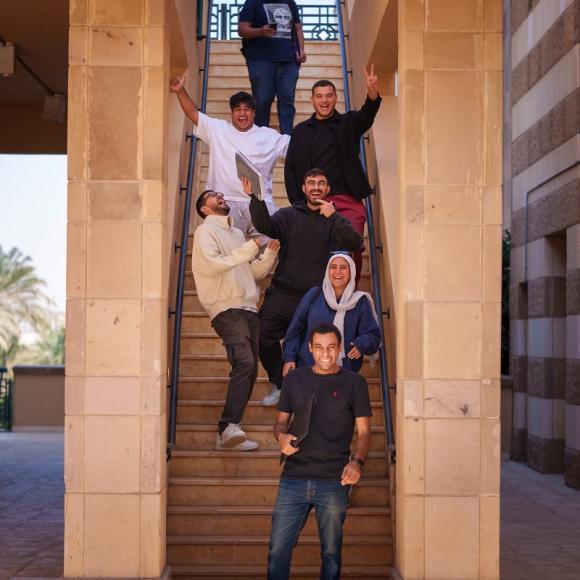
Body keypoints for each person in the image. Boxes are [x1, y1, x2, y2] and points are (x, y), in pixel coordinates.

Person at [245, 168, 363, 407]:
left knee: (313, 348)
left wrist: (335, 217)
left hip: (317, 299)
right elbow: (266, 226)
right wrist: (255, 198)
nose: (316, 187)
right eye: (311, 183)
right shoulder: (288, 215)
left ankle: (308, 394)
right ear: (303, 188)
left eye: (321, 183)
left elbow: (356, 243)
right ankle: (281, 382)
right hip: (284, 292)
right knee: (261, 334)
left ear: (328, 189)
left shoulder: (335, 220)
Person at [268, 322, 372, 580]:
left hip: (334, 480)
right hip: (293, 478)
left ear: (339, 350)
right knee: (278, 550)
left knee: (331, 554)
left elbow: (365, 433)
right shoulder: (295, 379)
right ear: (310, 349)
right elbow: (280, 423)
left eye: (331, 347)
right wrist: (281, 438)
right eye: (319, 347)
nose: (326, 353)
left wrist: (357, 462)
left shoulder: (355, 383)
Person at [191, 187, 280, 450]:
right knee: (244, 361)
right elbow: (213, 264)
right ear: (204, 209)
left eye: (220, 193)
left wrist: (269, 254)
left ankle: (227, 431)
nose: (219, 196)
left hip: (249, 308)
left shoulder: (238, 233)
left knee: (249, 368)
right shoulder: (205, 231)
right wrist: (249, 248)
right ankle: (228, 426)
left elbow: (250, 273)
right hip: (226, 308)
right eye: (211, 195)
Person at [284, 66, 382, 278]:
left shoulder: (348, 123)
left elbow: (367, 114)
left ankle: (348, 299)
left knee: (350, 245)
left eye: (329, 95)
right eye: (319, 96)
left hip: (346, 200)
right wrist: (298, 202)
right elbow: (290, 168)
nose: (324, 100)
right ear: (312, 100)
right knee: (316, 253)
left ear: (336, 98)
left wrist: (372, 93)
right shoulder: (300, 130)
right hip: (312, 202)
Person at [169, 76, 289, 235]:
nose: (242, 113)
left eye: (247, 109)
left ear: (253, 113)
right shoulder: (217, 128)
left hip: (259, 203)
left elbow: (297, 147)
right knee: (228, 253)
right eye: (237, 109)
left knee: (274, 244)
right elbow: (192, 112)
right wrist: (180, 91)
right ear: (232, 113)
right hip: (224, 202)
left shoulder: (269, 136)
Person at [282, 252, 380, 377]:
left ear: (351, 272)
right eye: (333, 267)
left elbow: (373, 335)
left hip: (343, 374)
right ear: (328, 272)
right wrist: (289, 357)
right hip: (308, 369)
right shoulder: (314, 294)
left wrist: (362, 343)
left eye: (343, 267)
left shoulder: (360, 301)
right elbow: (295, 329)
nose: (337, 271)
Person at [238, 0, 306, 135]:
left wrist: (301, 49)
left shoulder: (290, 2)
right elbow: (242, 30)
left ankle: (287, 140)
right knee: (263, 101)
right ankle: (261, 139)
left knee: (287, 100)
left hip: (288, 60)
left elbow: (297, 28)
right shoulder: (253, 2)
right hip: (261, 60)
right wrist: (261, 32)